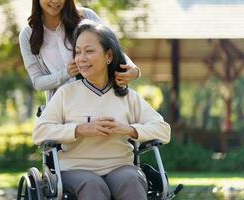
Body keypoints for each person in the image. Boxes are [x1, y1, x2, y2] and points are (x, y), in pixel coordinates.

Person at [33, 20, 171, 200]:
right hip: (75, 169)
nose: (81, 58)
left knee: (132, 179)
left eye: (89, 51)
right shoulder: (66, 94)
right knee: (92, 184)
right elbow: (39, 132)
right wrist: (79, 129)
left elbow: (163, 130)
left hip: (120, 167)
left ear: (109, 56)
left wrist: (129, 129)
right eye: (77, 52)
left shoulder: (128, 96)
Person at [19, 0, 141, 102]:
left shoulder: (86, 16)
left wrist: (134, 70)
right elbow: (38, 82)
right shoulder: (27, 35)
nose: (55, 1)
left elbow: (113, 49)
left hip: (103, 99)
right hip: (64, 109)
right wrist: (66, 73)